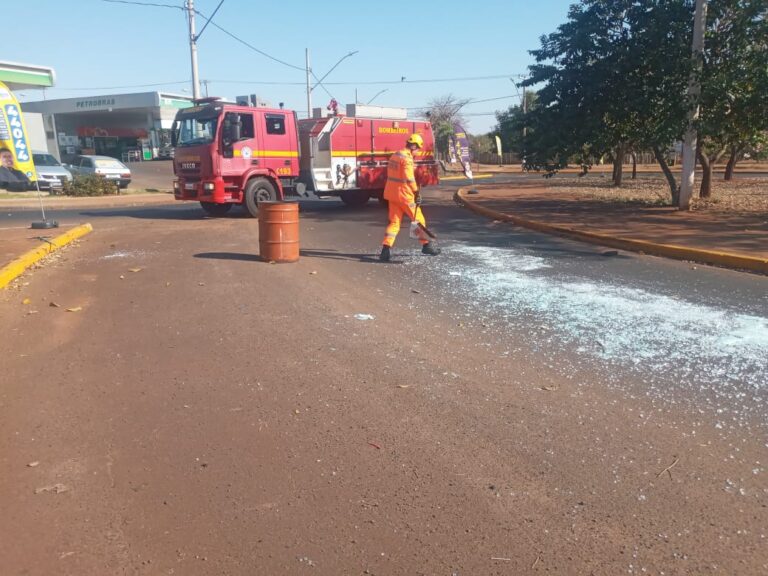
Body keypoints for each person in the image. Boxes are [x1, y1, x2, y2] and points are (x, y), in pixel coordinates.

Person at [379, 134, 440, 262]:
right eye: (418, 149)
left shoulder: (395, 155)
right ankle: (426, 245)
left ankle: (385, 249)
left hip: (392, 194)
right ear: (413, 146)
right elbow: (409, 178)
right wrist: (416, 192)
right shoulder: (407, 159)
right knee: (418, 219)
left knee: (394, 223)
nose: (418, 152)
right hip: (404, 195)